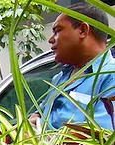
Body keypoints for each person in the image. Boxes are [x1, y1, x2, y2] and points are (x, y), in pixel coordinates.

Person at [31, 2, 115, 130]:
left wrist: (38, 136)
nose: (51, 40)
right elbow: (40, 112)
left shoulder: (110, 76)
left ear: (83, 30)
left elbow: (100, 134)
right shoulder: (59, 78)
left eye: (57, 31)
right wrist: (34, 120)